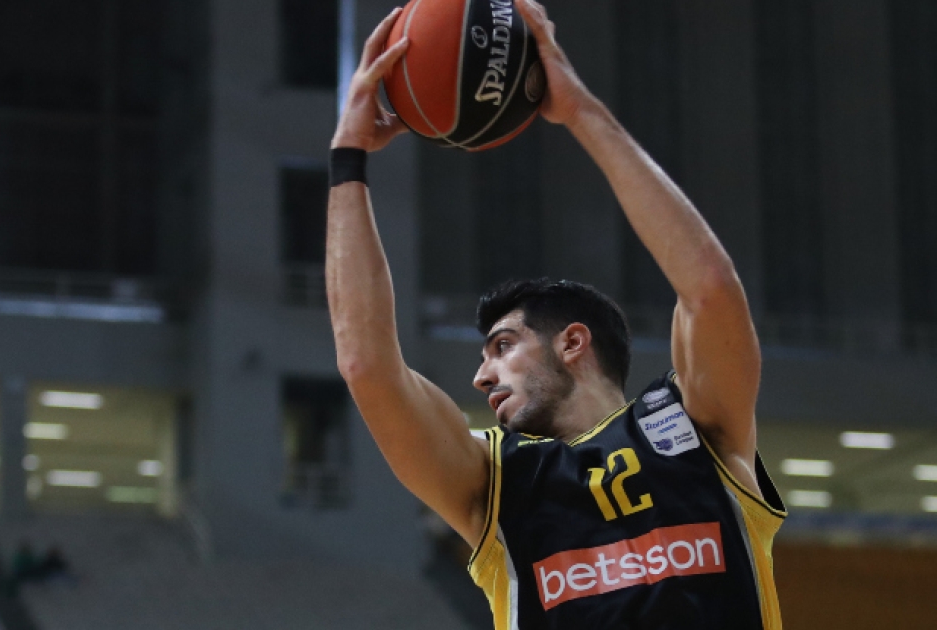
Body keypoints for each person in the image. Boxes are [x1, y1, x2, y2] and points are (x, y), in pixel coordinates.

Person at [326, 2, 786, 628]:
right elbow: (365, 365)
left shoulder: (700, 426)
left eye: (503, 345)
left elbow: (708, 287)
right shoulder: (492, 484)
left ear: (572, 342)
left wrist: (580, 112)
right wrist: (347, 157)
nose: (481, 377)